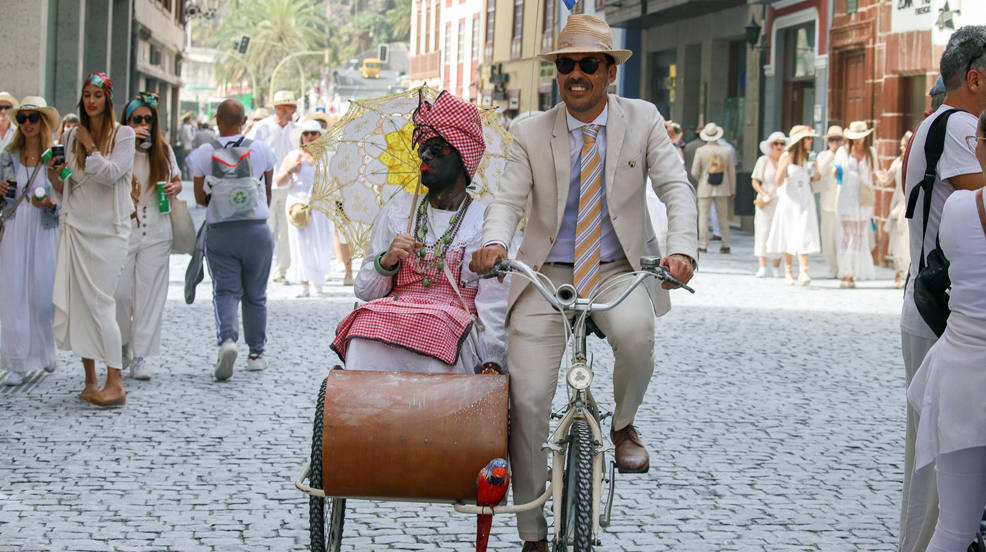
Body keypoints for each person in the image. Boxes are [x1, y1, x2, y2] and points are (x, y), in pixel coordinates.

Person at [469, 15, 698, 551]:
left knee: (638, 336)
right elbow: (506, 199)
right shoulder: (529, 130)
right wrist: (496, 245)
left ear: (609, 73)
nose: (576, 74)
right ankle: (531, 533)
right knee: (526, 400)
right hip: (546, 275)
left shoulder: (643, 120)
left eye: (588, 64)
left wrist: (683, 249)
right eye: (566, 64)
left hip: (619, 271)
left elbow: (676, 187)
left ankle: (622, 427)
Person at [332, 91, 507, 374]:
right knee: (364, 324)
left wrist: (493, 359)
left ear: (464, 159)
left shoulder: (486, 219)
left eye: (437, 149)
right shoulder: (400, 209)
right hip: (396, 316)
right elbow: (365, 291)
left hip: (455, 329)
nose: (425, 155)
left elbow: (495, 303)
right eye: (423, 147)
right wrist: (386, 261)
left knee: (436, 328)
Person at [898, 26, 986, 552]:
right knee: (936, 476)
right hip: (948, 317)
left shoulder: (940, 122)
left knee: (936, 467)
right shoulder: (959, 127)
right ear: (975, 79)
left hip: (937, 309)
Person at [47, 72, 135, 407]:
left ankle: (116, 382)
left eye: (97, 95)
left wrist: (90, 145)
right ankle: (90, 380)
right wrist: (56, 171)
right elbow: (71, 182)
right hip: (77, 227)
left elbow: (113, 174)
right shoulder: (71, 138)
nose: (90, 101)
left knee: (101, 303)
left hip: (109, 232)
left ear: (108, 99)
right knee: (82, 305)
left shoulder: (123, 135)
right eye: (86, 95)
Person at [191, 99, 276, 381]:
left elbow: (200, 198)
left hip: (222, 232)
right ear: (245, 120)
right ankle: (256, 354)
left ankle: (227, 341)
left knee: (226, 291)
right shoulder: (260, 149)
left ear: (217, 120)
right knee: (256, 294)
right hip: (256, 231)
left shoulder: (205, 152)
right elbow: (267, 192)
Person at [113, 92, 182, 380]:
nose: (143, 124)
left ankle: (140, 354)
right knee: (119, 294)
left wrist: (175, 188)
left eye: (148, 119)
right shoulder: (117, 148)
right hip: (125, 226)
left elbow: (176, 179)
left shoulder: (163, 150)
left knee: (149, 294)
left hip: (156, 225)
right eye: (136, 119)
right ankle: (122, 343)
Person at [0, 96, 60, 385]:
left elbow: (69, 193)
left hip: (44, 227)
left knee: (42, 295)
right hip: (14, 225)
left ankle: (46, 351)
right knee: (13, 294)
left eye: (32, 118)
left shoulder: (55, 157)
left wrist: (51, 203)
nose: (26, 124)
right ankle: (16, 362)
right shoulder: (7, 156)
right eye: (21, 119)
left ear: (43, 122)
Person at [274, 119, 334, 297]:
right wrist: (290, 171)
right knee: (300, 244)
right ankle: (304, 283)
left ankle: (318, 281)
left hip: (321, 205)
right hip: (299, 205)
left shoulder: (327, 156)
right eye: (306, 133)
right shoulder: (293, 156)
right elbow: (279, 181)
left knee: (320, 242)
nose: (309, 137)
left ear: (319, 135)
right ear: (301, 137)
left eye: (313, 133)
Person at [248, 90, 299, 284]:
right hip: (265, 186)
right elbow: (250, 153)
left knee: (286, 231)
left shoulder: (297, 129)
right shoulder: (261, 128)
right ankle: (261, 268)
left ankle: (281, 271)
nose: (294, 110)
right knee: (264, 230)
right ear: (279, 108)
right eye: (290, 107)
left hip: (290, 186)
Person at [765, 125, 822, 285]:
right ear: (800, 140)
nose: (811, 141)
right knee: (789, 232)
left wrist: (815, 169)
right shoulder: (786, 156)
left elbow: (816, 177)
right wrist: (784, 167)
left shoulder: (810, 156)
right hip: (790, 198)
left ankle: (804, 271)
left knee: (805, 232)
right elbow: (778, 181)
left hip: (805, 196)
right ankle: (788, 271)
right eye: (808, 138)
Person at [833, 121, 878, 288]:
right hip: (846, 197)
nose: (858, 141)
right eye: (855, 138)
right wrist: (836, 173)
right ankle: (846, 272)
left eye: (861, 138)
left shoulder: (871, 153)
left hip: (863, 200)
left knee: (859, 237)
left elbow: (873, 175)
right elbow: (836, 174)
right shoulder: (842, 152)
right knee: (847, 236)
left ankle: (855, 272)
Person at [692, 122, 736, 254]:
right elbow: (731, 172)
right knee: (723, 217)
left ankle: (703, 244)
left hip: (705, 188)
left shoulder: (700, 151)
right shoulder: (727, 151)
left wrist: (702, 178)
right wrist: (732, 189)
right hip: (723, 188)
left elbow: (694, 171)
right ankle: (726, 244)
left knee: (703, 217)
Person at [751, 131, 786, 277]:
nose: (779, 146)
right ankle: (762, 265)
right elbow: (755, 180)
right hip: (766, 201)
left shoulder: (786, 160)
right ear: (771, 145)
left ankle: (777, 265)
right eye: (776, 143)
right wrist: (764, 193)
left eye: (782, 144)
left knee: (779, 232)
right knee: (763, 231)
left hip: (782, 200)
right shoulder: (763, 160)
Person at [883, 131, 912, 288]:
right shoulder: (898, 162)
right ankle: (898, 273)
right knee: (896, 240)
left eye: (904, 145)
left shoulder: (914, 162)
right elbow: (887, 178)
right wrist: (881, 177)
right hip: (898, 204)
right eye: (901, 146)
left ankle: (906, 273)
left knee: (906, 241)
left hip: (908, 205)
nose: (902, 148)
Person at [815, 125, 844, 277]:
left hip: (843, 202)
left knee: (841, 238)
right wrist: (831, 154)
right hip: (828, 201)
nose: (835, 142)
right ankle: (832, 267)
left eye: (838, 139)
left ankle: (842, 266)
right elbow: (818, 172)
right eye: (832, 140)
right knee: (827, 237)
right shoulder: (823, 155)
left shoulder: (846, 154)